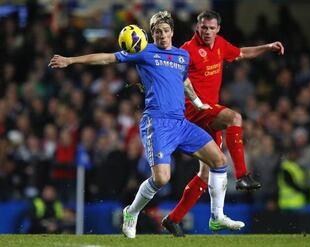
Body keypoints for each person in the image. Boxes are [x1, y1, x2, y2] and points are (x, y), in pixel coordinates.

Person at [49, 11, 244, 238]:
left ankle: (217, 216)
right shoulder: (143, 51)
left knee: (219, 161)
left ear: (172, 32)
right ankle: (131, 212)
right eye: (157, 31)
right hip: (157, 123)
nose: (162, 35)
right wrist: (71, 60)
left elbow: (185, 81)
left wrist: (198, 102)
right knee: (162, 178)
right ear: (152, 34)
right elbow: (107, 58)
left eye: (166, 31)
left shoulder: (182, 56)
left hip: (181, 123)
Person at [162, 10, 284, 236]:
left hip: (210, 116)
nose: (207, 32)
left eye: (211, 28)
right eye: (203, 27)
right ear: (197, 28)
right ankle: (242, 176)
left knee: (206, 173)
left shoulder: (220, 44)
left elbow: (241, 53)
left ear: (218, 29)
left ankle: (173, 218)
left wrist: (266, 47)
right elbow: (170, 73)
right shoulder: (187, 51)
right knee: (235, 117)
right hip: (196, 112)